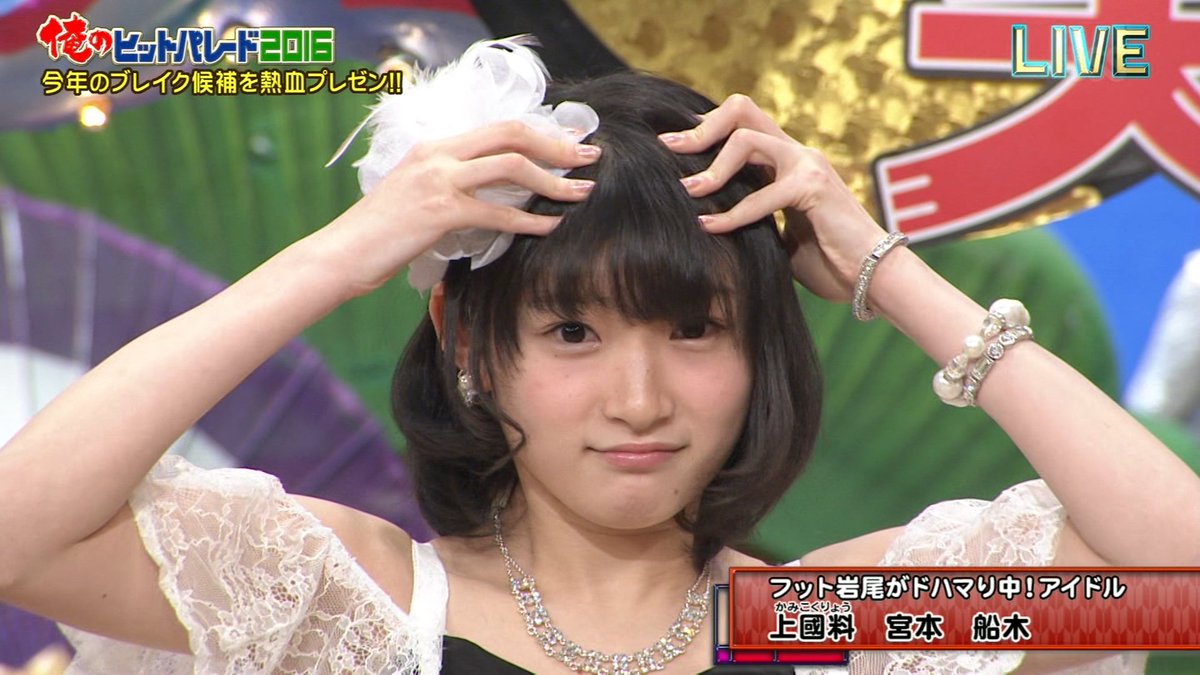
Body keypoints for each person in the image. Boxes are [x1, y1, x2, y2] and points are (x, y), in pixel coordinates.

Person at [0, 37, 1197, 675]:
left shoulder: (824, 621)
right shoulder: (358, 609)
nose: (640, 399)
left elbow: (1176, 579)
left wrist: (886, 268)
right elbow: (21, 534)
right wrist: (344, 256)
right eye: (572, 331)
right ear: (469, 342)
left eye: (696, 330)